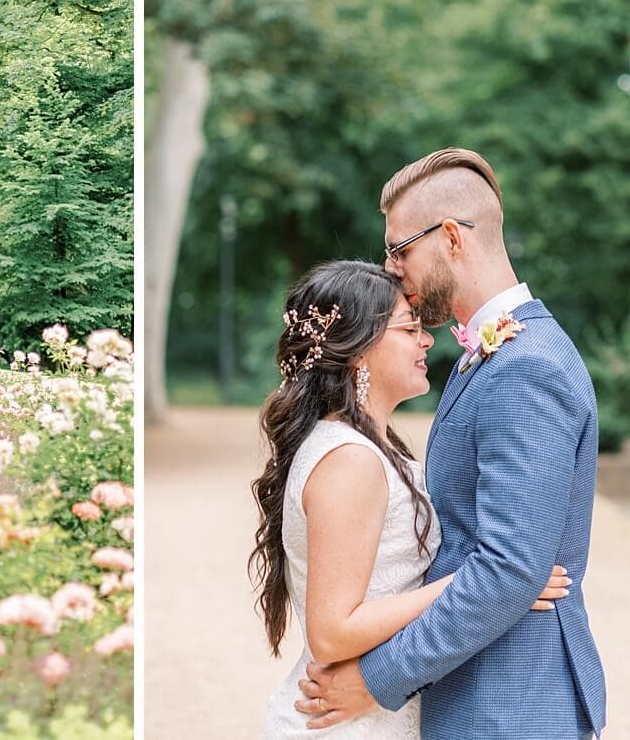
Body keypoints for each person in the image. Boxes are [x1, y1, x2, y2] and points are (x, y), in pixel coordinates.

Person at [294, 148, 606, 739]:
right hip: (477, 694)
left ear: (453, 239)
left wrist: (374, 679)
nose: (391, 270)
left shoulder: (527, 367)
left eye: (399, 249)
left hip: (510, 702)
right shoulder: (489, 357)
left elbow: (512, 568)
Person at [251, 259, 571, 738]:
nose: (426, 341)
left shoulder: (372, 447)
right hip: (343, 722)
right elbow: (332, 631)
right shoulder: (349, 460)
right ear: (359, 351)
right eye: (409, 329)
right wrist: (492, 581)